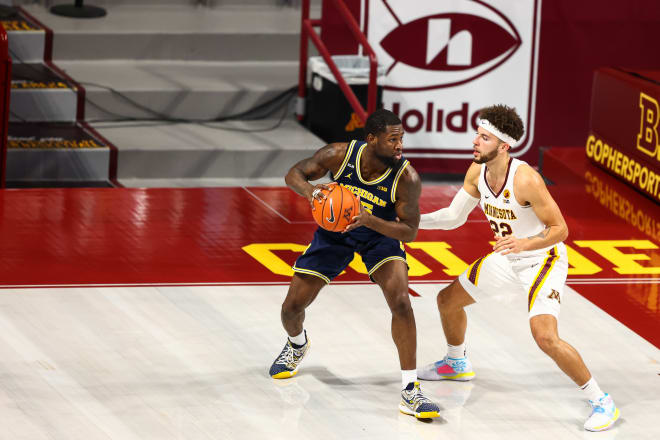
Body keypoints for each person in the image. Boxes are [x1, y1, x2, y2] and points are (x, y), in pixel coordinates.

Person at [417, 104, 619, 432]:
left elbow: (560, 230)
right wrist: (410, 221)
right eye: (477, 134)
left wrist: (525, 244)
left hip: (543, 260)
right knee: (447, 301)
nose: (475, 141)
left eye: (484, 137)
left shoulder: (526, 179)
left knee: (544, 337)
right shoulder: (476, 171)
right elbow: (453, 218)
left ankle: (601, 401)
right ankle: (456, 362)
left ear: (504, 146)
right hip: (507, 259)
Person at [269, 109, 440, 419]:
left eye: (401, 138)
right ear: (371, 139)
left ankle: (410, 390)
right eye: (393, 139)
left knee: (402, 302)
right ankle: (297, 344)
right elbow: (294, 173)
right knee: (290, 309)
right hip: (336, 234)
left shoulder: (407, 178)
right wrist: (313, 193)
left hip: (380, 234)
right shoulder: (339, 154)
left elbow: (410, 232)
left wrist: (371, 221)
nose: (400, 145)